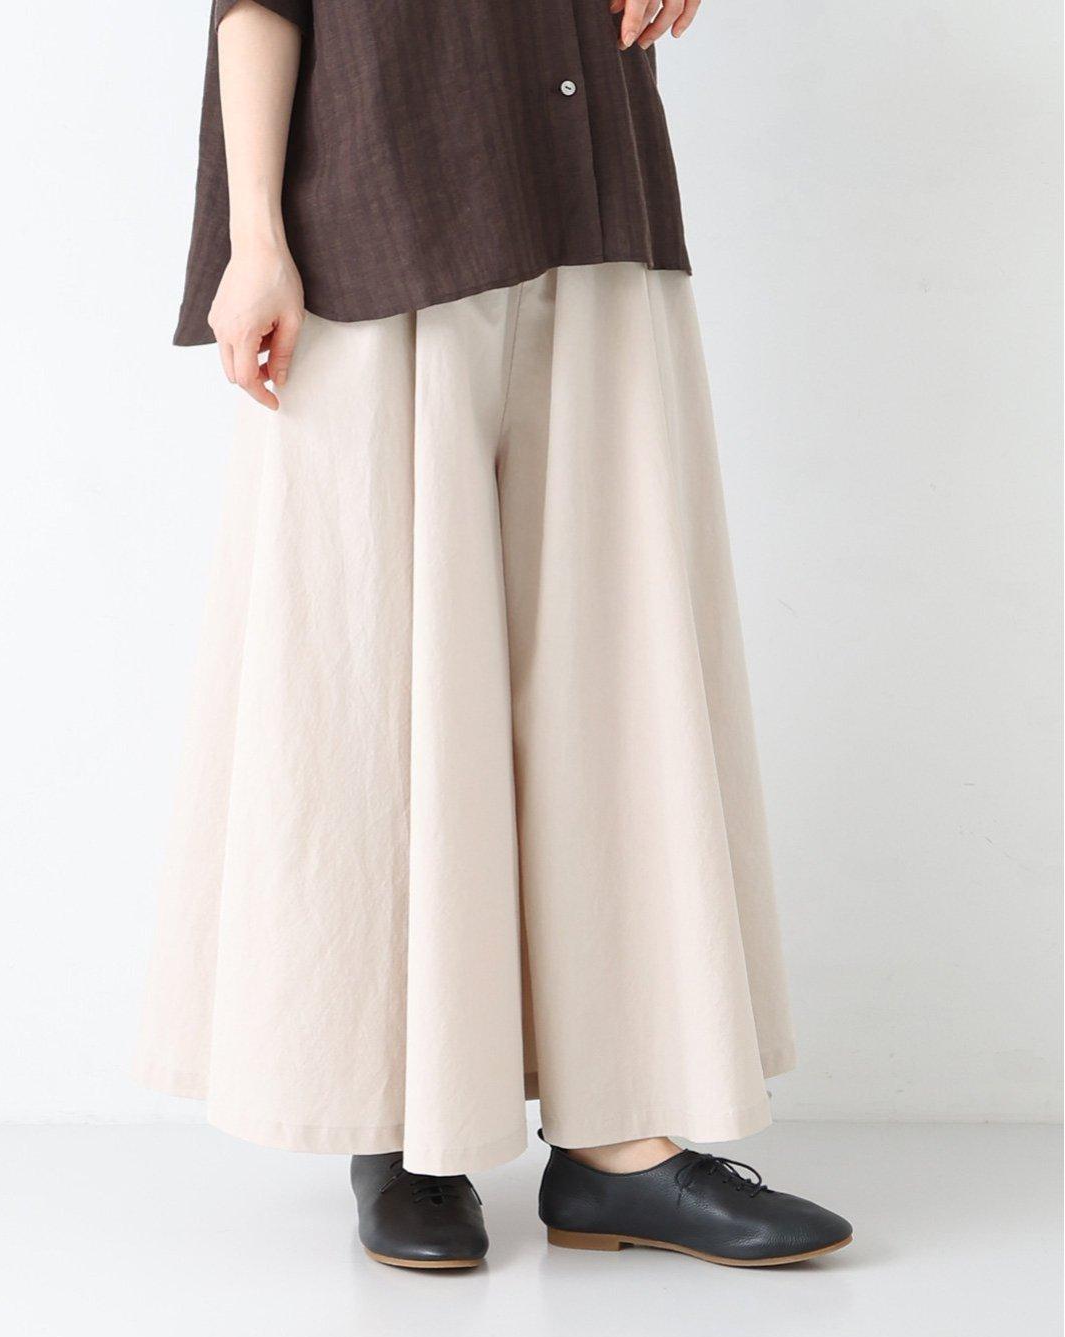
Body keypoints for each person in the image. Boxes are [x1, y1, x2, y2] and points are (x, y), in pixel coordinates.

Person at [136, 0, 851, 1271]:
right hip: (376, 217)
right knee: (384, 675)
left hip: (588, 195)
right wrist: (254, 238)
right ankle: (402, 1115)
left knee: (614, 670)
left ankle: (619, 1137)